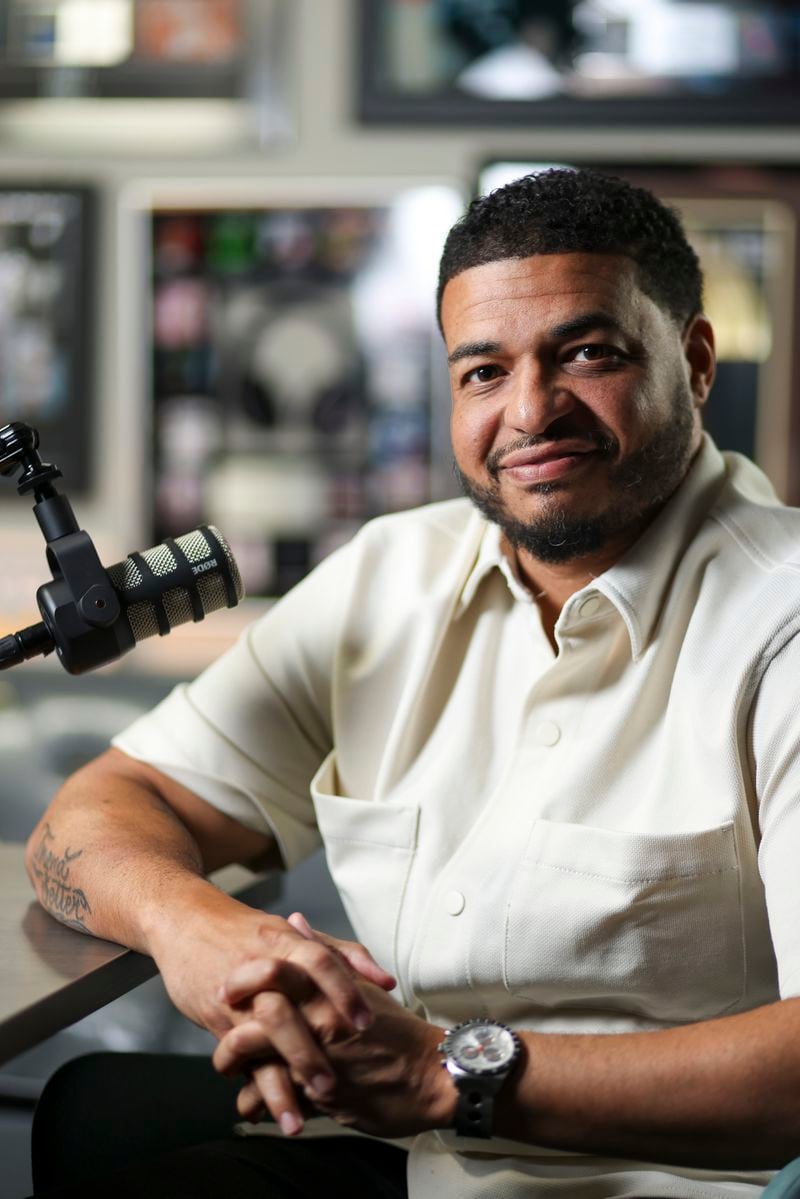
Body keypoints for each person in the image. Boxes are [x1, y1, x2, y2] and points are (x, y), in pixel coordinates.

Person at [26, 168, 800, 1198]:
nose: (530, 410)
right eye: (481, 370)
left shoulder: (780, 617)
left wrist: (443, 1074)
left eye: (586, 353)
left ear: (694, 361)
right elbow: (95, 814)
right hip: (401, 1163)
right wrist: (202, 931)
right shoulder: (386, 575)